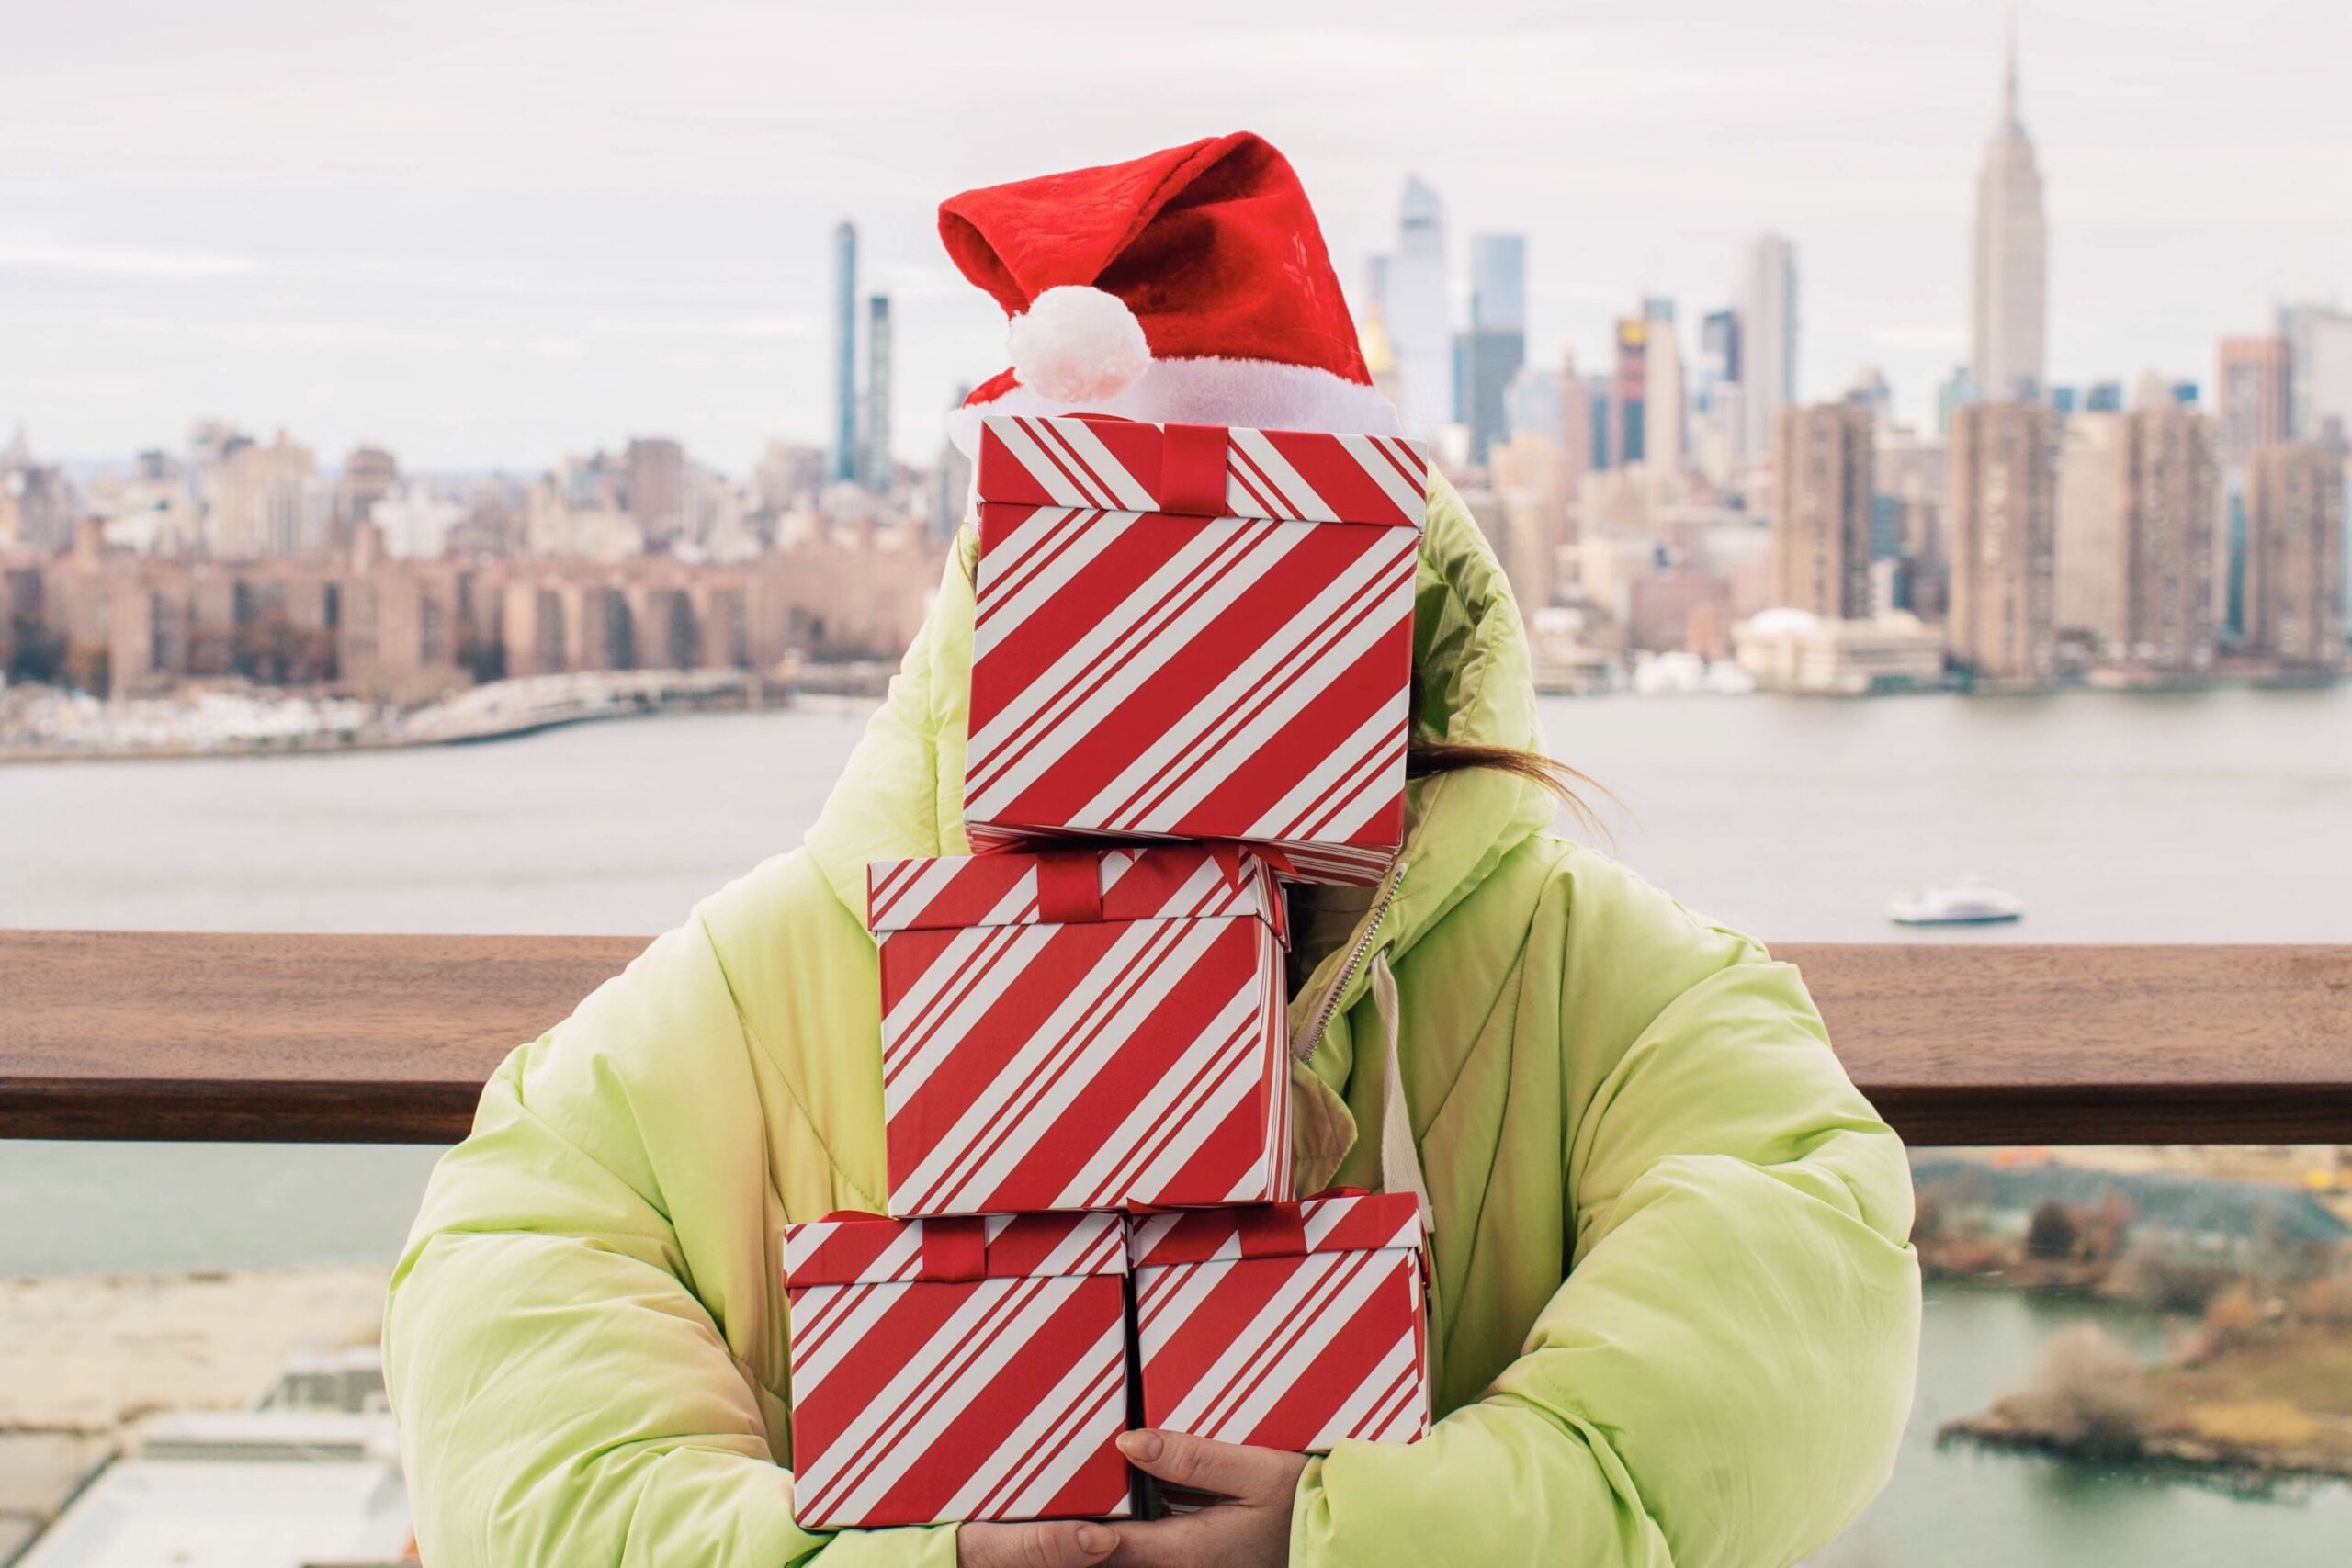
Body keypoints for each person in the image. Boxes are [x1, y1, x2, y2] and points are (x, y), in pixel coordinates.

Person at [385, 131, 1920, 1568]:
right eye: (1122, 639)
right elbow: (518, 1303)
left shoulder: (1593, 978)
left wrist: (1379, 1536)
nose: (1184, 713)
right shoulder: (776, 975)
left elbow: (1801, 1254)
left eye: (1253, 636)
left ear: (1385, 626)